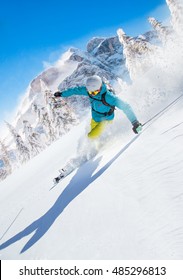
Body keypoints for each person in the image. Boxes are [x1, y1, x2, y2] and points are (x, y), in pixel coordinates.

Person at [54, 75, 142, 138]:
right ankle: (98, 145)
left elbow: (126, 106)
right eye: (90, 92)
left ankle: (100, 146)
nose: (92, 94)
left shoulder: (108, 97)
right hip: (95, 118)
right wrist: (62, 94)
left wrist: (135, 122)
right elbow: (75, 90)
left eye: (94, 92)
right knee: (93, 137)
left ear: (100, 88)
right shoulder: (90, 91)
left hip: (106, 120)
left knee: (91, 136)